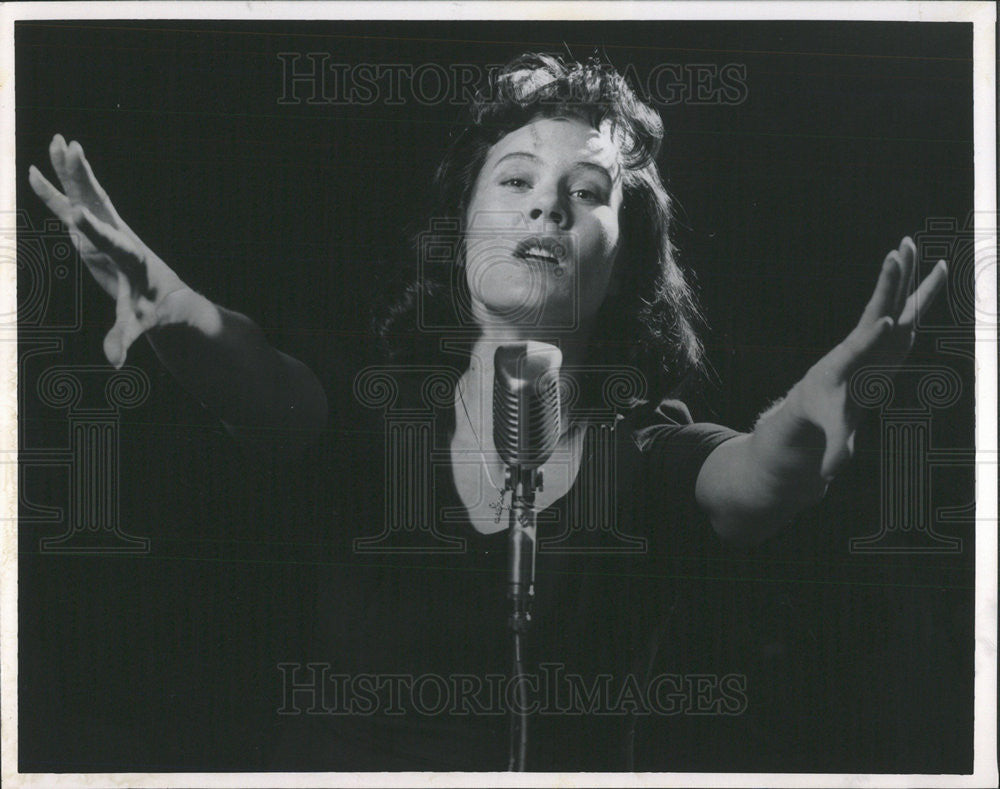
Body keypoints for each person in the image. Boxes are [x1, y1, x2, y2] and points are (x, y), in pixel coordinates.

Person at [27, 53, 948, 771]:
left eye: (587, 193)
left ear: (626, 258)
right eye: (513, 181)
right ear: (462, 223)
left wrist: (832, 399)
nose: (547, 203)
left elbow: (756, 479)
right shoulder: (372, 424)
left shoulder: (649, 449)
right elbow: (257, 379)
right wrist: (169, 302)